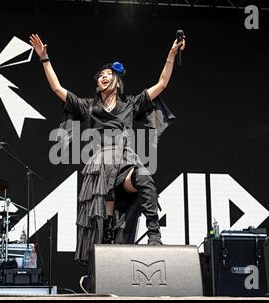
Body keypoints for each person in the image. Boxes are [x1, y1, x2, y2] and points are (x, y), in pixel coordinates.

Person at [29, 33, 185, 264]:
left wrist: (172, 53)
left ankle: (154, 234)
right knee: (104, 212)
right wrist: (44, 58)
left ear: (117, 82)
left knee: (144, 176)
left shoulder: (130, 104)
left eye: (108, 74)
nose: (103, 77)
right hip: (101, 168)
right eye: (100, 75)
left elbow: (161, 83)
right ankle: (108, 238)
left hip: (125, 165)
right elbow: (57, 89)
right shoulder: (88, 106)